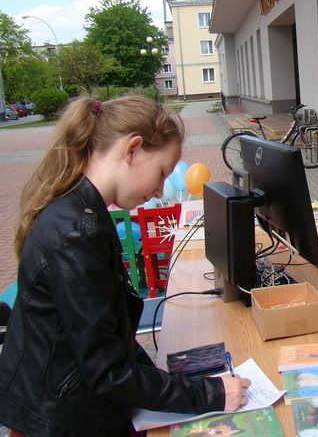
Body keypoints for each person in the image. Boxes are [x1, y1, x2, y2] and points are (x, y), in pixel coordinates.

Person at [0, 96, 251, 437]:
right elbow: (108, 372)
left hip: (69, 407)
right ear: (133, 149)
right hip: (64, 420)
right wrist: (212, 394)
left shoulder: (80, 211)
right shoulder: (77, 233)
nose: (160, 189)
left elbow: (106, 337)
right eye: (162, 172)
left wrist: (179, 382)